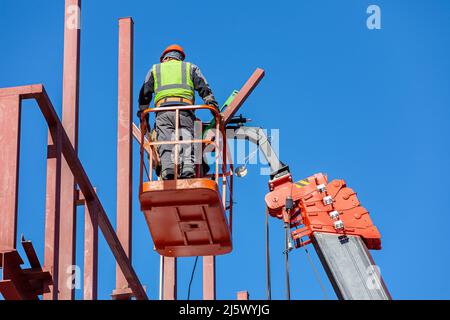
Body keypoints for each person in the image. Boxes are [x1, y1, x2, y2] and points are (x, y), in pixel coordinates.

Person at [137, 44, 219, 180]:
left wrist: (142, 114)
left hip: (162, 111)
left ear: (164, 58)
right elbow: (204, 87)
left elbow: (145, 93)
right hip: (185, 110)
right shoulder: (189, 67)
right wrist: (213, 107)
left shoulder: (155, 69)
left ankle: (168, 171)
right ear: (181, 57)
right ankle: (188, 170)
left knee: (164, 141)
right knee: (187, 139)